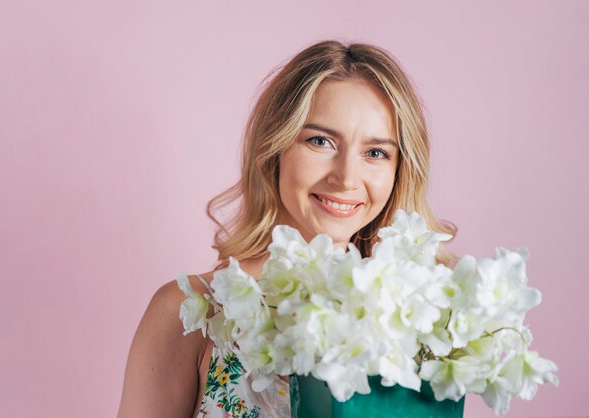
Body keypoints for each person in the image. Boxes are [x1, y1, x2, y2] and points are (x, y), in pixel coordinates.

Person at [117, 39, 457, 418]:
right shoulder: (191, 313)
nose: (346, 177)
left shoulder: (425, 322)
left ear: (398, 171)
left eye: (375, 153)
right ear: (274, 148)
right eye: (320, 141)